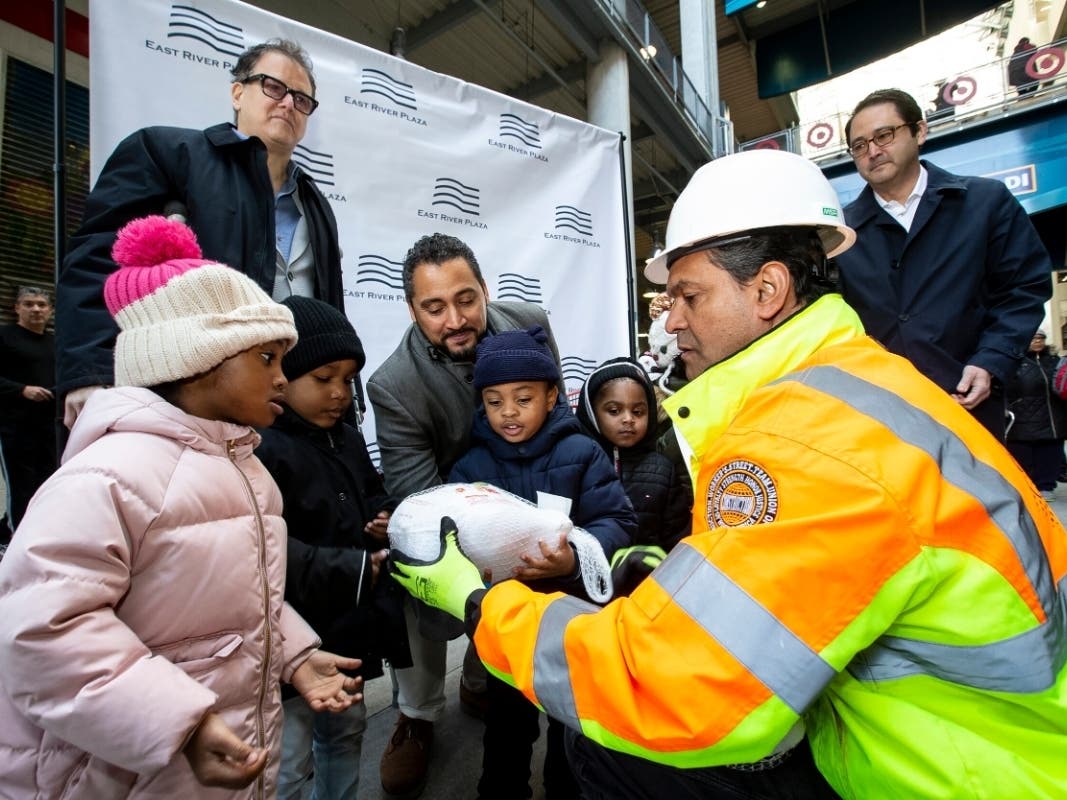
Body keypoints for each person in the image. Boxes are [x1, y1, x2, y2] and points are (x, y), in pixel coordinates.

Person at [390, 149, 1067, 800]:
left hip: (956, 777)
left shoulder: (800, 440)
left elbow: (672, 687)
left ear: (767, 289)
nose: (671, 320)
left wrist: (478, 604)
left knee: (605, 744)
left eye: (688, 295)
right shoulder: (865, 382)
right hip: (990, 745)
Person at [0, 216, 361, 798]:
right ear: (199, 360)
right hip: (112, 774)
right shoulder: (107, 477)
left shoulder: (246, 469)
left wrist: (293, 655)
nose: (282, 377)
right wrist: (179, 722)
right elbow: (41, 633)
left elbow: (233, 599)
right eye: (266, 359)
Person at [58, 38, 344, 430]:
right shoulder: (167, 152)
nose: (288, 103)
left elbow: (329, 309)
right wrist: (91, 369)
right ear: (238, 92)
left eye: (302, 99)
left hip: (289, 409)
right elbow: (97, 260)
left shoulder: (315, 203)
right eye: (274, 87)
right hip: (186, 399)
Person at [366, 232, 563, 798]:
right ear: (411, 310)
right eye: (434, 307)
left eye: (466, 299)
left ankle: (483, 673)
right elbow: (418, 502)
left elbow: (557, 416)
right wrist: (488, 529)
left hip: (524, 482)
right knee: (415, 567)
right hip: (447, 504)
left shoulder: (529, 321)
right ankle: (417, 713)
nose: (455, 319)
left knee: (539, 562)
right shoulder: (394, 385)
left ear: (485, 289)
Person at [448, 327, 636, 800]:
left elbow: (616, 519)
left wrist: (573, 561)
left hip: (569, 622)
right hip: (506, 624)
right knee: (505, 726)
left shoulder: (581, 454)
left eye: (523, 398)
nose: (508, 412)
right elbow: (452, 531)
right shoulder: (470, 466)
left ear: (552, 396)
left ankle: (566, 788)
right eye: (494, 401)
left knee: (569, 724)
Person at [256, 296, 409, 800]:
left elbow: (370, 490)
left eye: (346, 380)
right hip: (290, 646)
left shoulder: (344, 437)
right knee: (289, 758)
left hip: (348, 633)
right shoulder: (263, 449)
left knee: (347, 734)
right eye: (324, 378)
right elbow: (270, 554)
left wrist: (385, 517)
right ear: (284, 374)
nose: (340, 393)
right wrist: (359, 565)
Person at [834, 88, 1052, 440]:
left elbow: (1023, 288)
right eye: (859, 146)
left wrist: (991, 361)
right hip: (878, 416)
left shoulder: (984, 203)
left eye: (884, 135)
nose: (873, 151)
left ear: (919, 131)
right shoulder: (840, 235)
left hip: (967, 403)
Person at [576, 356, 691, 554]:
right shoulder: (576, 466)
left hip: (648, 580)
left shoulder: (663, 470)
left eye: (638, 412)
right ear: (592, 413)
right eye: (614, 410)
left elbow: (679, 539)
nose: (628, 419)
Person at [0, 287, 56, 534]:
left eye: (42, 305)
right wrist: (22, 390)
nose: (36, 309)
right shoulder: (4, 336)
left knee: (47, 484)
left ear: (50, 311)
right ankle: (13, 541)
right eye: (29, 304)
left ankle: (35, 536)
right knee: (19, 486)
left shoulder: (57, 343)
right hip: (14, 427)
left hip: (49, 427)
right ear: (17, 308)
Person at [1005, 329, 1067, 503]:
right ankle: (1026, 485)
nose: (1038, 342)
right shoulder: (1013, 362)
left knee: (1049, 453)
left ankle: (1046, 486)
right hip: (1021, 415)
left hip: (1052, 416)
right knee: (1023, 453)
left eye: (1041, 338)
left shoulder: (1054, 361)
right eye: (1034, 338)